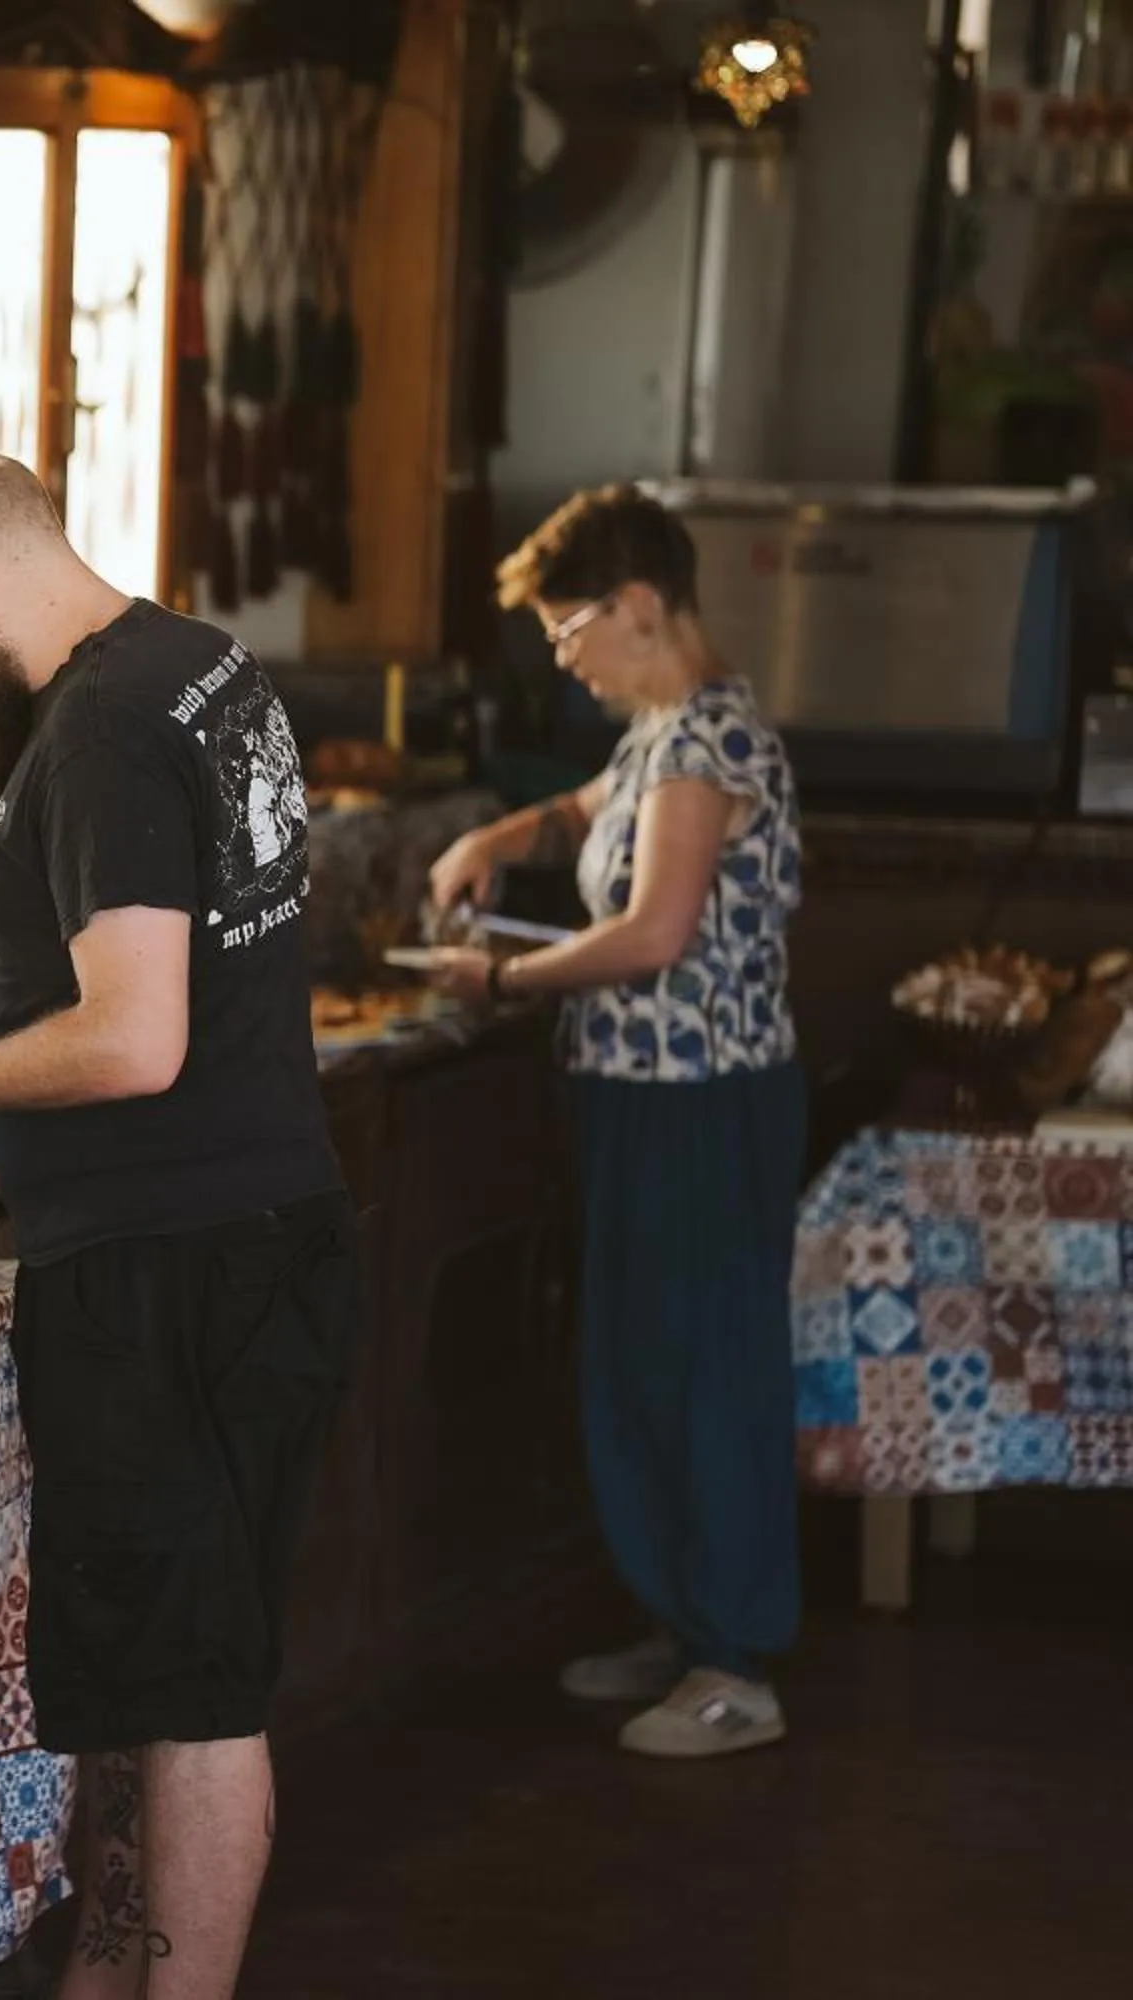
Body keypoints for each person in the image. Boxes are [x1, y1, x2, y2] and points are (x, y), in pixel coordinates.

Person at [0, 449, 356, 2000]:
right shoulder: (195, 666)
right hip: (256, 1241)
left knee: (190, 1701)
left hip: (172, 1271)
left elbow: (135, 1042)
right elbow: (167, 884)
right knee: (166, 1678)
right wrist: (4, 901)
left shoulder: (100, 730)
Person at [414, 483, 805, 1759]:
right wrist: (498, 833)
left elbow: (655, 930)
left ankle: (737, 1662)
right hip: (643, 1096)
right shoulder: (665, 729)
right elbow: (589, 810)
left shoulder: (709, 741)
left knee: (703, 1366)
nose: (562, 658)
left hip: (702, 1100)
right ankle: (682, 1619)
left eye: (570, 630)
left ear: (637, 605)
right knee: (640, 1360)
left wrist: (501, 977)